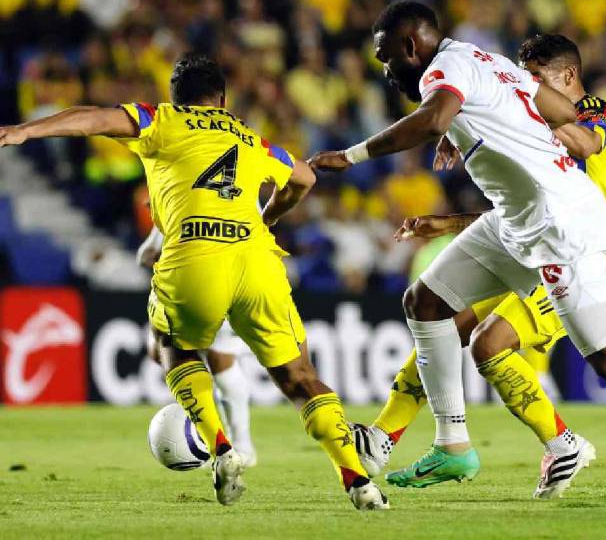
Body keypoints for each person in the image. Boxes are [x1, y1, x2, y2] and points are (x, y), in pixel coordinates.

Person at [309, 2, 606, 497]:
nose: (386, 71)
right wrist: (463, 125)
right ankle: (451, 445)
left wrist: (363, 151)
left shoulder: (588, 109)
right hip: (519, 222)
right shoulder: (479, 63)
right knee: (427, 304)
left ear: (410, 48)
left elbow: (565, 133)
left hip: (566, 230)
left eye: (387, 57)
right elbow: (519, 106)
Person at [0, 54, 388, 510]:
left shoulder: (160, 118)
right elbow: (303, 177)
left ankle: (221, 448)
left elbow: (92, 119)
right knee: (299, 375)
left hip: (193, 255)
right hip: (256, 261)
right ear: (221, 99)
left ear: (175, 96)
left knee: (172, 344)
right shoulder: (250, 138)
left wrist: (26, 130)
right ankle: (358, 480)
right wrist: (269, 216)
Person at [351, 33, 606, 497]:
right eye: (522, 76)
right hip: (530, 247)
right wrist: (452, 215)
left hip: (576, 258)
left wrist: (476, 116)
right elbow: (522, 211)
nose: (526, 84)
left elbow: (565, 189)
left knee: (490, 343)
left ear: (567, 76)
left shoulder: (595, 114)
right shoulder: (528, 123)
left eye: (535, 76)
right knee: (442, 323)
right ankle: (383, 437)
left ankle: (564, 444)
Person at [137, 225, 257, 467]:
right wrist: (154, 246)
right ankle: (217, 438)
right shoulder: (182, 195)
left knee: (219, 357)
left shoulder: (234, 194)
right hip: (182, 279)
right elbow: (151, 245)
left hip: (224, 273)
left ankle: (240, 446)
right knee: (160, 351)